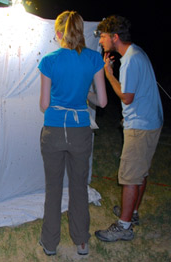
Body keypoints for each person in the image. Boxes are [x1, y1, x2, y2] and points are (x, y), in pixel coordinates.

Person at [38, 11, 107, 256]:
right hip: (80, 132)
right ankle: (81, 241)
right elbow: (103, 101)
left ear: (59, 33)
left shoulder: (49, 60)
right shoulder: (93, 59)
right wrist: (84, 96)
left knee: (53, 188)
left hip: (54, 130)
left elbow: (45, 104)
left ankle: (50, 243)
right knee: (79, 187)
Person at [94, 15, 163, 242]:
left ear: (115, 37)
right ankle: (131, 213)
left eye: (103, 36)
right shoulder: (137, 53)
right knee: (140, 172)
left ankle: (123, 227)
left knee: (131, 176)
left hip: (141, 126)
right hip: (149, 121)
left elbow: (126, 96)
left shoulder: (131, 60)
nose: (101, 40)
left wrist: (109, 75)